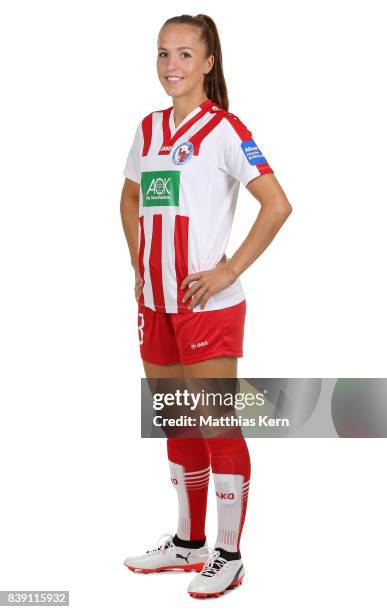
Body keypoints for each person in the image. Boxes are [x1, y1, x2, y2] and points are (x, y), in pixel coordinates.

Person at [120, 13, 292, 599]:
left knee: (217, 424)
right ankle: (187, 543)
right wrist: (139, 263)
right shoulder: (147, 129)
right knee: (175, 418)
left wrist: (227, 270)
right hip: (155, 303)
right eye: (164, 54)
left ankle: (229, 554)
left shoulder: (225, 130)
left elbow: (277, 205)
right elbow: (131, 194)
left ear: (209, 62)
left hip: (206, 306)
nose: (173, 66)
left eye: (186, 55)